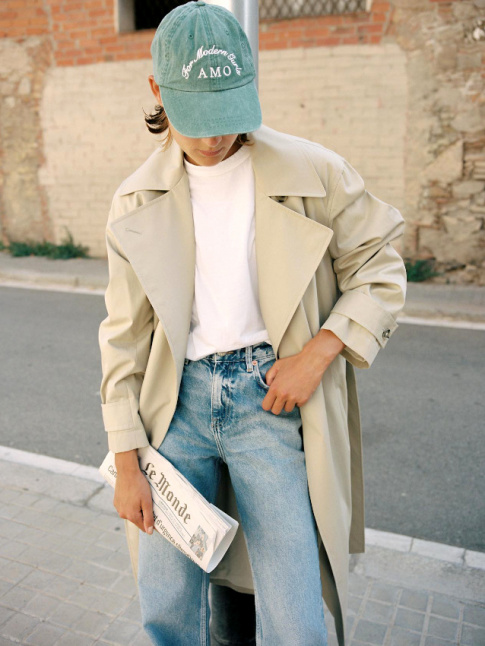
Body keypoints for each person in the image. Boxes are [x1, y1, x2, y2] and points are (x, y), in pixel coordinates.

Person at [98, 2, 407, 645]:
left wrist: (320, 350)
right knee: (167, 607)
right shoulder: (134, 199)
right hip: (171, 412)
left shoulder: (312, 170)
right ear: (157, 91)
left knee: (295, 616)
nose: (215, 138)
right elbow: (123, 338)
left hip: (268, 399)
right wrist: (126, 459)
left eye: (229, 113)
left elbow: (381, 266)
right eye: (198, 118)